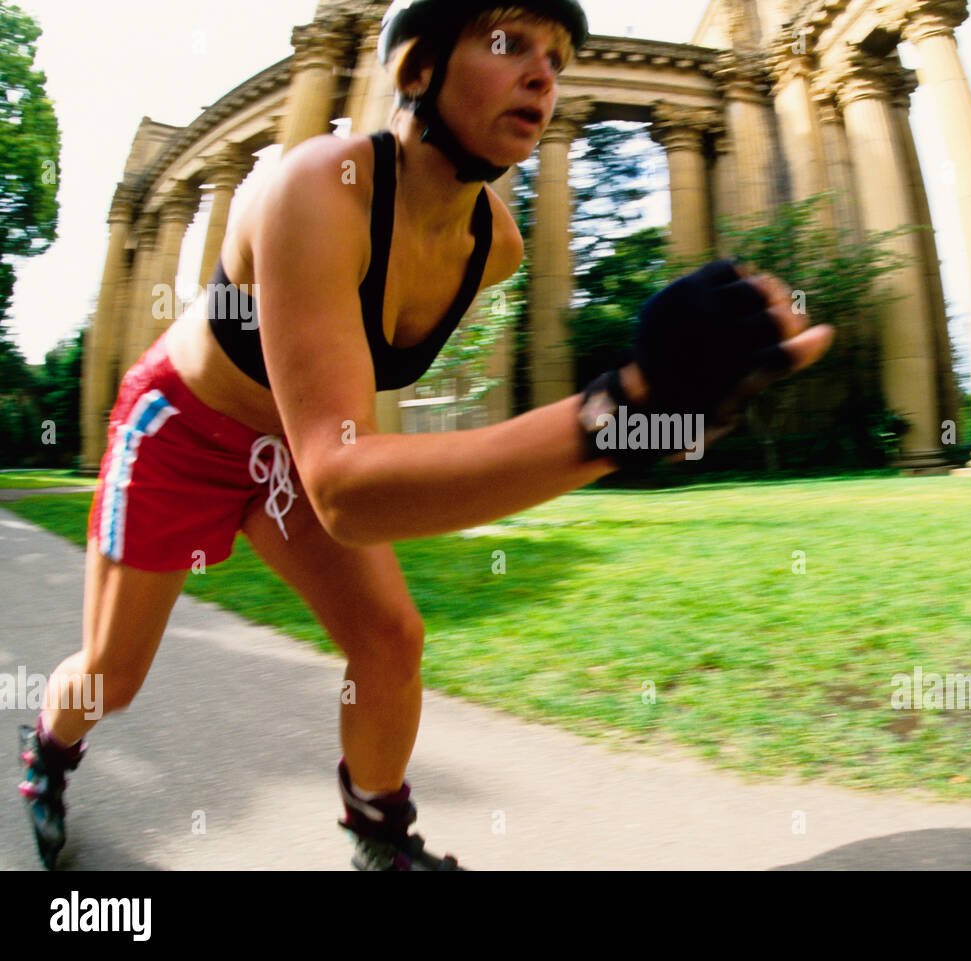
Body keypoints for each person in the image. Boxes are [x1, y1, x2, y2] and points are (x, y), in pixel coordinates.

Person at [18, 0, 833, 871]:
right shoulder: (313, 187)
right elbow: (346, 486)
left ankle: (378, 834)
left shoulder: (498, 247)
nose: (543, 74)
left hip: (293, 447)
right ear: (416, 71)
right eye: (508, 43)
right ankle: (48, 754)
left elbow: (347, 442)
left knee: (389, 638)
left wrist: (668, 410)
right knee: (114, 673)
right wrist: (623, 411)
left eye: (557, 56)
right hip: (185, 428)